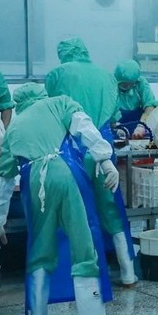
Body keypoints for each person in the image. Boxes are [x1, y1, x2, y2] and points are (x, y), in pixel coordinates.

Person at [0, 83, 127, 315]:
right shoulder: (58, 103)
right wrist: (105, 160)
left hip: (33, 183)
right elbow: (84, 128)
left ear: (19, 104)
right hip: (63, 173)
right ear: (42, 95)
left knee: (41, 248)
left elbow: (2, 180)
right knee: (82, 245)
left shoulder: (13, 129)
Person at [46, 38, 138, 288]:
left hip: (72, 146)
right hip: (103, 144)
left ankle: (90, 278)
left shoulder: (57, 74)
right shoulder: (107, 77)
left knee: (77, 211)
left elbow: (52, 110)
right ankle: (128, 272)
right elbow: (114, 116)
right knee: (111, 207)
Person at [113, 59, 158, 139]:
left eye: (130, 84)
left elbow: (150, 105)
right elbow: (107, 112)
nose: (127, 86)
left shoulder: (141, 83)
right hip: (119, 127)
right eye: (124, 84)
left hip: (139, 127)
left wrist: (142, 125)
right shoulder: (111, 86)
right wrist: (116, 127)